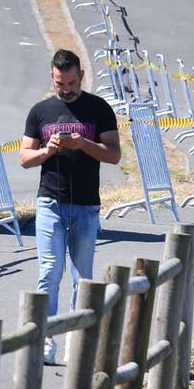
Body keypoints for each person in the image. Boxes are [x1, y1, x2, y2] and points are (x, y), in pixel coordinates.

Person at [19, 49, 122, 365]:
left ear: (82, 76)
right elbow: (24, 158)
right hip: (50, 201)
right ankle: (44, 339)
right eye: (60, 83)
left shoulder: (98, 109)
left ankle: (76, 344)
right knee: (50, 271)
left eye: (72, 82)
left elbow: (114, 154)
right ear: (52, 78)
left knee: (82, 277)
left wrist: (83, 144)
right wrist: (47, 151)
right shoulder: (40, 112)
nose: (66, 89)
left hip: (86, 206)